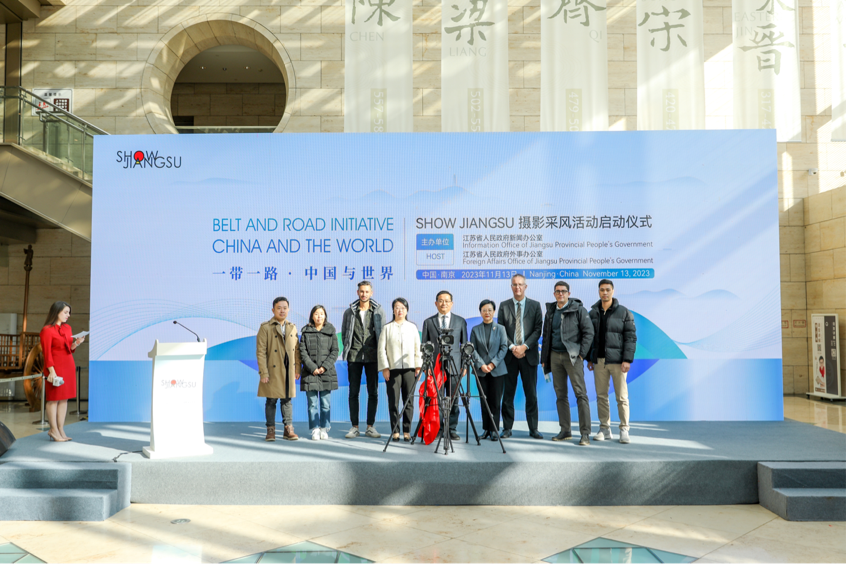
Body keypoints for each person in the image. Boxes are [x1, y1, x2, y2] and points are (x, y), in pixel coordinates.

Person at [541, 281, 594, 446]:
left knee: (580, 394)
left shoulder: (578, 309)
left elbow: (589, 332)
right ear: (554, 294)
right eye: (557, 291)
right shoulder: (550, 311)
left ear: (569, 294)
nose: (560, 294)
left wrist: (581, 354)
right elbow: (546, 335)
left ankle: (585, 433)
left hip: (573, 357)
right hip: (554, 357)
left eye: (563, 291)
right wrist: (544, 359)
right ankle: (565, 431)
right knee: (560, 395)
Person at [587, 279, 637, 444]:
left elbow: (630, 338)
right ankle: (604, 428)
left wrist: (627, 359)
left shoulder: (624, 312)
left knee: (621, 397)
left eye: (607, 289)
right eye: (602, 290)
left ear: (613, 291)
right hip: (599, 362)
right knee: (601, 397)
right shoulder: (593, 313)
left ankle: (624, 429)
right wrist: (590, 358)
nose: (605, 292)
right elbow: (589, 338)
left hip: (618, 362)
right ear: (598, 292)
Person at [498, 274, 544, 439]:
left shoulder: (535, 305)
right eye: (514, 284)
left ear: (525, 286)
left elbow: (538, 329)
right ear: (511, 287)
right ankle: (507, 428)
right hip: (509, 356)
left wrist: (524, 347)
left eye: (520, 284)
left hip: (528, 355)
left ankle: (533, 428)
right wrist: (513, 347)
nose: (517, 287)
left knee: (531, 394)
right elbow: (501, 330)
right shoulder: (504, 306)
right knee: (508, 394)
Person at [341, 281, 386, 439]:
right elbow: (345, 333)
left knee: (373, 392)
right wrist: (349, 348)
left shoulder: (378, 311)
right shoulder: (349, 312)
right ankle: (354, 427)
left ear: (371, 293)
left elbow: (382, 333)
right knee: (353, 392)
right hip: (354, 357)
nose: (364, 294)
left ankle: (370, 426)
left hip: (373, 357)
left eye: (367, 291)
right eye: (361, 291)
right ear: (357, 292)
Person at [421, 290, 467, 441]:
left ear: (452, 303)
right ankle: (439, 428)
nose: (444, 304)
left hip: (455, 365)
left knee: (453, 399)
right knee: (437, 399)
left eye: (447, 301)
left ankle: (451, 428)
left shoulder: (460, 321)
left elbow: (464, 346)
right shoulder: (429, 322)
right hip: (435, 367)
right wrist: (426, 366)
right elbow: (425, 346)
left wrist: (464, 365)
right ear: (436, 303)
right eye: (441, 301)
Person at [377, 298, 422, 442]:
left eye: (402, 307)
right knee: (393, 401)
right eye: (397, 307)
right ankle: (395, 430)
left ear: (407, 310)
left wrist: (418, 366)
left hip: (410, 369)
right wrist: (385, 367)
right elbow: (381, 350)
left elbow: (417, 348)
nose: (400, 310)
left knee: (408, 401)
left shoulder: (412, 327)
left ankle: (407, 430)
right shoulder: (387, 328)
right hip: (393, 370)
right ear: (393, 310)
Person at [39, 301, 85, 442]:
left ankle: (61, 429)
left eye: (69, 312)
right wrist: (51, 371)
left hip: (68, 365)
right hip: (54, 367)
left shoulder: (67, 328)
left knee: (64, 398)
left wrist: (77, 343)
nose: (68, 315)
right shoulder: (47, 330)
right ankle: (53, 430)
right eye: (65, 312)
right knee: (53, 399)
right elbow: (47, 353)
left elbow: (68, 349)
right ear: (56, 312)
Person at [256, 297, 300, 441]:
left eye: (285, 308)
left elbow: (297, 351)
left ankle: (288, 429)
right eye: (279, 308)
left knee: (287, 400)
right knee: (271, 400)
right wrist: (263, 372)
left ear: (288, 310)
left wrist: (297, 369)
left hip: (288, 370)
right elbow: (261, 352)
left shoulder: (292, 327)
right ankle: (270, 430)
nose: (282, 311)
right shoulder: (265, 327)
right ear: (273, 310)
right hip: (272, 371)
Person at [469, 299, 509, 441]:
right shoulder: (475, 329)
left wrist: (492, 364)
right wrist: (481, 364)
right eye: (484, 310)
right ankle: (486, 429)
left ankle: (494, 429)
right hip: (481, 371)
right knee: (484, 401)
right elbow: (472, 349)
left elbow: (504, 347)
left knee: (495, 401)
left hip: (497, 370)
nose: (487, 312)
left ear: (494, 312)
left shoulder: (500, 329)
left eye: (490, 310)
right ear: (480, 312)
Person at [299, 305, 339, 441]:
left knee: (325, 404)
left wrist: (324, 367)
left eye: (321, 314)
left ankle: (324, 428)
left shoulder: (331, 331)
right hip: (310, 373)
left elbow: (335, 351)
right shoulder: (306, 332)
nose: (319, 316)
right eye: (316, 314)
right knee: (312, 404)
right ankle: (315, 429)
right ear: (312, 316)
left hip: (326, 373)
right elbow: (302, 352)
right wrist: (312, 367)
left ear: (325, 316)